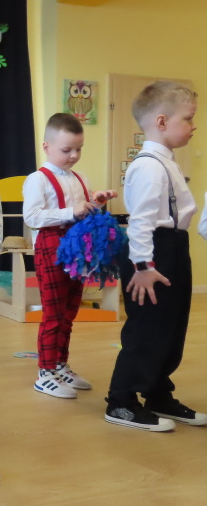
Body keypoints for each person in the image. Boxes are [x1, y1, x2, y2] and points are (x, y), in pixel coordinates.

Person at [105, 81, 206, 431]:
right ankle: (121, 401)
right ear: (162, 121)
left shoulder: (167, 162)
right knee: (147, 329)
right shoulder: (149, 166)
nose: (194, 126)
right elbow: (141, 221)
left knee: (171, 328)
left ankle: (158, 393)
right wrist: (144, 266)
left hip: (173, 247)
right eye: (188, 118)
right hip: (153, 252)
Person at [22, 113, 116, 399]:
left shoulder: (80, 177)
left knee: (70, 310)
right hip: (51, 246)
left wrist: (96, 201)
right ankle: (45, 372)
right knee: (53, 313)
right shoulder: (38, 179)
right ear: (46, 146)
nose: (74, 155)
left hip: (78, 248)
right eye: (66, 150)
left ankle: (60, 365)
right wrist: (69, 212)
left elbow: (83, 209)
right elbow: (32, 217)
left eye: (78, 149)